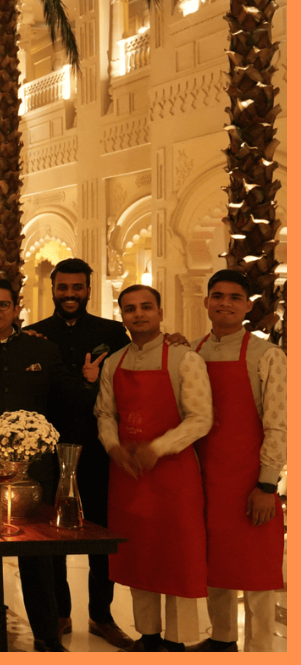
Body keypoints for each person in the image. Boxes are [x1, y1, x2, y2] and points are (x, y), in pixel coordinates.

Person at [0, 277, 76, 652]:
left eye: (3, 304)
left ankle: (47, 634)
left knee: (38, 554)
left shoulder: (42, 349)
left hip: (33, 470)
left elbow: (65, 399)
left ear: (16, 309)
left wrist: (87, 382)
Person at [92, 284, 212, 652]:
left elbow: (200, 418)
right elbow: (104, 412)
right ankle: (148, 636)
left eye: (146, 307)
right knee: (138, 558)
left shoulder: (184, 359)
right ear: (122, 316)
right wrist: (113, 447)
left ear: (160, 313)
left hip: (175, 477)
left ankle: (177, 642)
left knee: (177, 559)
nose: (139, 314)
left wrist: (156, 449)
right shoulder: (114, 362)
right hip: (128, 475)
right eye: (130, 309)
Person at [25, 258, 135, 649]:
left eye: (77, 287)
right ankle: (59, 612)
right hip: (48, 449)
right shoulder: (35, 335)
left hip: (99, 446)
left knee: (100, 533)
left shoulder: (112, 332)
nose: (70, 294)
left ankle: (101, 615)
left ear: (89, 289)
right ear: (53, 289)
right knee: (51, 533)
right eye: (63, 287)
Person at [189, 269, 287, 652]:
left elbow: (278, 424)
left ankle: (260, 650)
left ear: (247, 306)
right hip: (204, 479)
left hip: (250, 480)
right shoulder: (192, 352)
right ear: (206, 302)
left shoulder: (267, 355)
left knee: (257, 571)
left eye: (234, 297)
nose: (225, 303)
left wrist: (267, 484)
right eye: (218, 296)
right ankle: (221, 640)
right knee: (215, 563)